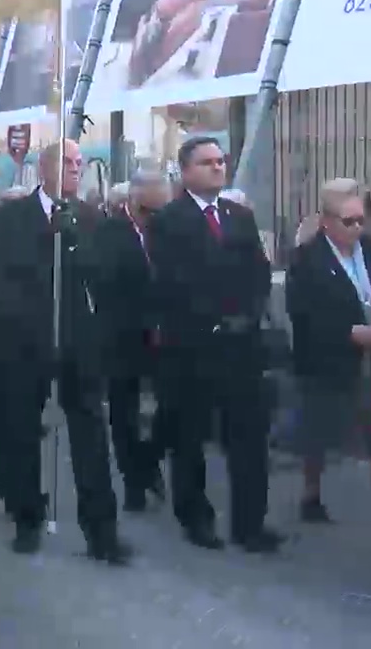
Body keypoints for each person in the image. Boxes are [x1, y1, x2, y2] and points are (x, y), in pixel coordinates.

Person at [0, 139, 130, 564]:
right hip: (27, 337)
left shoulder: (89, 218)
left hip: (76, 339)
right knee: (22, 430)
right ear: (43, 168)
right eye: (66, 161)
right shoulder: (12, 216)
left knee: (90, 434)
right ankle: (28, 518)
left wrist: (75, 242)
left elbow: (103, 275)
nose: (74, 168)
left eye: (79, 163)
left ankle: (102, 530)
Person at [149, 136, 279, 553]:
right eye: (206, 162)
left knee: (248, 436)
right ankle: (195, 516)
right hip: (192, 347)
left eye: (221, 161)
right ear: (186, 171)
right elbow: (173, 281)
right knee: (189, 436)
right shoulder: (169, 219)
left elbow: (258, 272)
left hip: (241, 346)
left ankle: (249, 523)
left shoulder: (238, 216)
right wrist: (214, 319)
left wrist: (247, 314)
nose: (217, 168)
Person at [286, 178, 371, 524]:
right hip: (325, 359)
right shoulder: (306, 258)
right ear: (327, 221)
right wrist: (349, 333)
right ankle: (311, 493)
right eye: (349, 221)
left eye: (361, 219)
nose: (357, 227)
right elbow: (303, 313)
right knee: (317, 430)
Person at [95, 169, 169, 512]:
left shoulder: (165, 229)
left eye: (159, 211)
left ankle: (147, 459)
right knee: (124, 413)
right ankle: (133, 481)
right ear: (132, 203)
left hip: (163, 334)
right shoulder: (110, 232)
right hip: (123, 335)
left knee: (173, 407)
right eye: (147, 211)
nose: (153, 218)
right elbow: (108, 286)